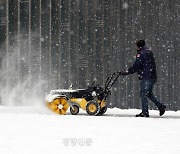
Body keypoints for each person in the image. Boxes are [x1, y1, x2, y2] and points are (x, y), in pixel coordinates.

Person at [120, 40, 166, 117]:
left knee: (143, 94)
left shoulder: (141, 54)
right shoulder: (148, 52)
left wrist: (128, 71)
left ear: (138, 46)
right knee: (149, 94)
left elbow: (137, 65)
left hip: (146, 77)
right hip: (152, 76)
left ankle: (145, 112)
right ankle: (160, 106)